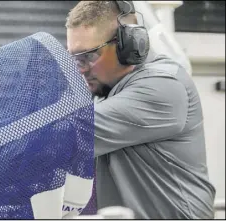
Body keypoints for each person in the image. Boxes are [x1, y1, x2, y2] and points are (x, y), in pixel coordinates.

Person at [66, 1, 216, 219]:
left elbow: (68, 134)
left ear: (129, 46)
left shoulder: (164, 86)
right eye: (74, 57)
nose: (80, 68)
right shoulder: (107, 90)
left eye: (88, 56)